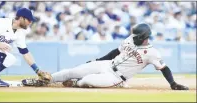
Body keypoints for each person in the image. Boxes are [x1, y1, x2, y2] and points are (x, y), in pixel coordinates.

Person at [23, 23, 188, 90]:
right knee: (73, 70)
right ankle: (45, 80)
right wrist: (97, 61)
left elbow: (164, 68)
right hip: (108, 64)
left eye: (138, 35)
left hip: (117, 77)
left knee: (87, 80)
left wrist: (173, 83)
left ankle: (76, 84)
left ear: (145, 36)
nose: (134, 37)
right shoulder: (130, 39)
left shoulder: (152, 53)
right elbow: (115, 52)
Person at [0, 8, 50, 87]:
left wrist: (37, 70)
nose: (30, 22)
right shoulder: (3, 22)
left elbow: (25, 53)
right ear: (21, 18)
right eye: (29, 20)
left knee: (10, 59)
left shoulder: (20, 32)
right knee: (6, 46)